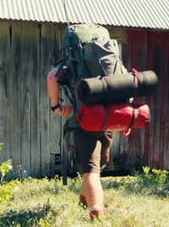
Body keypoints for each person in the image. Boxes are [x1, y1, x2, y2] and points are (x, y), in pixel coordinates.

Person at [47, 64, 128, 219]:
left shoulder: (71, 59)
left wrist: (56, 106)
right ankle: (84, 202)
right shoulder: (111, 59)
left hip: (85, 121)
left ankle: (97, 218)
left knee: (91, 173)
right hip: (108, 119)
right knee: (94, 168)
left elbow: (52, 77)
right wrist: (125, 120)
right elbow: (126, 83)